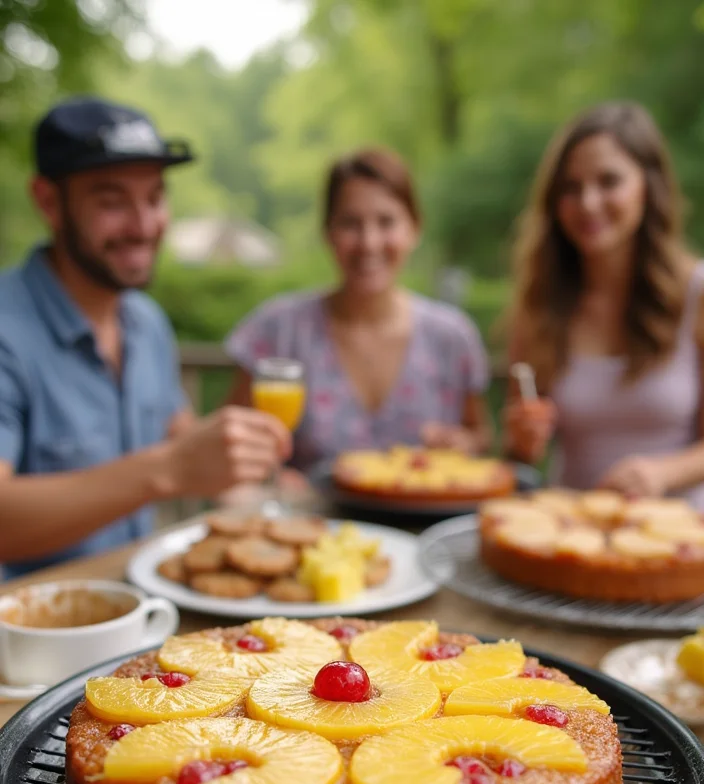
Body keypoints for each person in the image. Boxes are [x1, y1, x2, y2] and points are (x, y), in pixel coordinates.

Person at [0, 97, 290, 577]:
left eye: (154, 198)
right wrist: (167, 469)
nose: (143, 225)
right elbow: (171, 461)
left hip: (141, 610)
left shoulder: (146, 320)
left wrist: (249, 465)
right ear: (49, 201)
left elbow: (179, 434)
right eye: (112, 201)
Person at [224, 147, 492, 471]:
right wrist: (273, 480)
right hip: (306, 518)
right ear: (328, 233)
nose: (369, 242)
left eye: (386, 222)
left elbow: (480, 437)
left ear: (414, 229)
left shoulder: (453, 338)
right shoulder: (278, 330)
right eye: (350, 223)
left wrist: (462, 444)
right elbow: (231, 450)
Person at [504, 101, 704, 507]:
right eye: (571, 188)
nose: (588, 203)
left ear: (648, 186)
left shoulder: (696, 293)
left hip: (680, 538)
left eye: (609, 181)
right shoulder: (539, 303)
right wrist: (522, 441)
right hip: (570, 533)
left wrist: (662, 472)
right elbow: (517, 459)